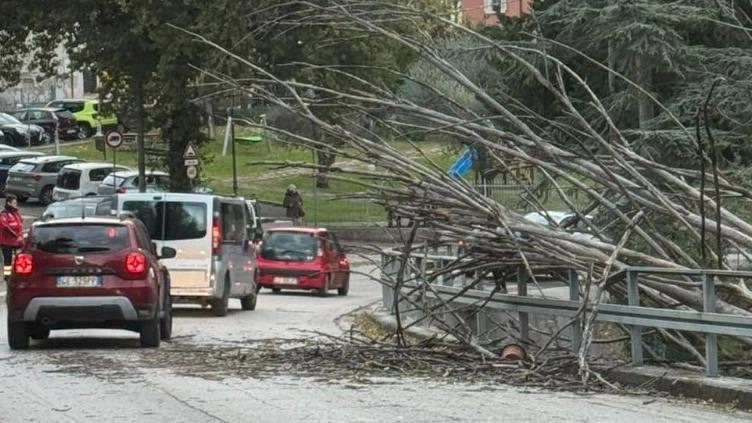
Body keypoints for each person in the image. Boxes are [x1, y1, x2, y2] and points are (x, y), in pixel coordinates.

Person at [0, 194, 24, 268]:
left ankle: (16, 276)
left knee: (20, 260)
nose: (15, 205)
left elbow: (20, 224)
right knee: (8, 262)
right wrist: (16, 236)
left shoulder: (16, 213)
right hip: (6, 243)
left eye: (16, 203)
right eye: (14, 203)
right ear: (8, 203)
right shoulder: (4, 214)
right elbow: (5, 227)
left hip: (17, 242)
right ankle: (7, 278)